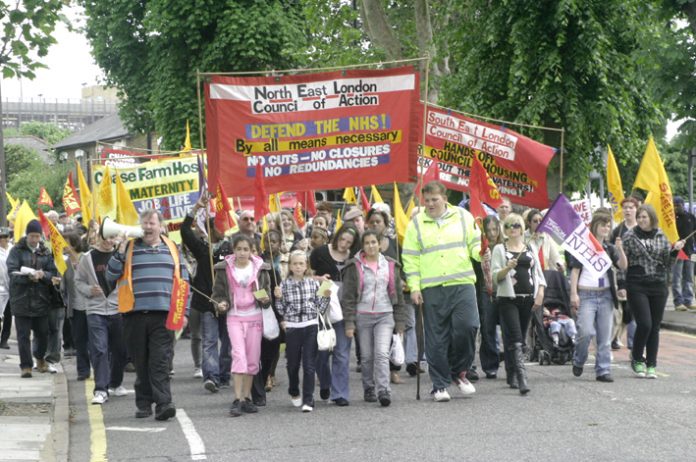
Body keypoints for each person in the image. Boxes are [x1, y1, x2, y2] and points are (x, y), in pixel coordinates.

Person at [106, 210, 190, 421]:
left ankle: (164, 404)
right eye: (145, 223)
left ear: (161, 226)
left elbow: (184, 282)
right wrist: (120, 251)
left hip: (163, 316)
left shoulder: (172, 248)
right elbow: (110, 275)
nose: (148, 227)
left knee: (160, 361)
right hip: (134, 315)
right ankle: (143, 403)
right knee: (141, 362)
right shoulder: (130, 248)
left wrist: (184, 312)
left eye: (152, 223)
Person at [402, 181, 481, 402]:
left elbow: (474, 244)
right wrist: (415, 287)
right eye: (426, 200)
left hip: (462, 282)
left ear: (445, 199)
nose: (430, 204)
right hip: (432, 287)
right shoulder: (416, 224)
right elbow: (410, 258)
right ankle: (439, 384)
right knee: (436, 339)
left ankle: (458, 372)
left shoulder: (463, 216)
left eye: (434, 200)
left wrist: (481, 251)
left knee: (468, 326)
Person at [341, 231, 407, 407]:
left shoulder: (391, 266)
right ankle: (368, 387)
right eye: (367, 243)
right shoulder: (354, 266)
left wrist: (400, 323)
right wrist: (349, 322)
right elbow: (347, 297)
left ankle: (383, 390)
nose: (371, 246)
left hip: (385, 315)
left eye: (373, 242)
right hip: (363, 316)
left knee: (381, 353)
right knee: (367, 357)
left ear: (380, 244)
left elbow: (399, 297)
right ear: (363, 246)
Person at [212, 234, 272, 417]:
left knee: (253, 359)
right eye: (239, 249)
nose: (242, 253)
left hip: (255, 317)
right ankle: (237, 399)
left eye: (246, 249)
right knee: (239, 356)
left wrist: (266, 299)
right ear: (233, 250)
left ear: (251, 250)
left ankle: (246, 398)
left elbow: (267, 297)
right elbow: (217, 295)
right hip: (234, 317)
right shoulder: (224, 269)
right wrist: (220, 304)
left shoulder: (261, 269)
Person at [622, 204, 683, 379]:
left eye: (644, 217)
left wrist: (675, 251)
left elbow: (668, 265)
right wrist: (621, 285)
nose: (641, 220)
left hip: (658, 286)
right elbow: (621, 263)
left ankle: (651, 364)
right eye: (639, 217)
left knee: (655, 327)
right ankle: (637, 358)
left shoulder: (661, 235)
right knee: (645, 324)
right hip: (636, 284)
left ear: (651, 218)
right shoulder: (629, 236)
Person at [181, 197, 233, 393]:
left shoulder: (231, 250)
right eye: (218, 227)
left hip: (227, 304)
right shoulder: (202, 250)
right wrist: (194, 209)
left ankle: (224, 374)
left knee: (227, 342)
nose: (222, 230)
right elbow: (185, 232)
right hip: (207, 304)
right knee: (209, 341)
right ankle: (211, 376)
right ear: (210, 230)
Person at [491, 213, 546, 395]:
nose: (513, 229)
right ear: (504, 230)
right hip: (509, 299)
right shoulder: (500, 249)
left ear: (522, 228)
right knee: (515, 337)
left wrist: (540, 292)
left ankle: (512, 372)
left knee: (519, 338)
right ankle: (522, 378)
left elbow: (538, 273)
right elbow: (495, 277)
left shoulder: (529, 246)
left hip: (528, 298)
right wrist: (507, 267)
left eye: (516, 225)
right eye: (508, 226)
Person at [569, 211, 627, 383]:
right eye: (603, 225)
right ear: (595, 226)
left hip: (606, 295)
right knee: (585, 332)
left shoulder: (609, 248)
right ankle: (579, 358)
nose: (606, 228)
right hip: (586, 294)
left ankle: (603, 369)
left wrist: (620, 250)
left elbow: (623, 266)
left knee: (604, 336)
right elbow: (575, 270)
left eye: (608, 225)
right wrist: (573, 294)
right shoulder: (584, 246)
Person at [274, 250, 331, 412]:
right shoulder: (284, 285)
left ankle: (308, 398)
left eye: (301, 263)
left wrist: (326, 295)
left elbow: (321, 306)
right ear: (290, 266)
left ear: (306, 266)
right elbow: (281, 308)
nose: (298, 267)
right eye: (295, 263)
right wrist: (278, 298)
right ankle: (293, 389)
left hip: (311, 325)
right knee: (292, 364)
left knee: (309, 364)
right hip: (293, 327)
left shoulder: (313, 283)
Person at [310, 224, 360, 406]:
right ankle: (325, 382)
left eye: (349, 242)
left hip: (345, 306)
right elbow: (306, 275)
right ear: (337, 236)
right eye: (342, 239)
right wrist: (318, 279)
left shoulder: (354, 259)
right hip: (323, 304)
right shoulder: (320, 253)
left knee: (342, 352)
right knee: (321, 351)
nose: (344, 244)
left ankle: (340, 393)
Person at [76, 233, 127, 404]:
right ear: (98, 238)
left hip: (117, 309)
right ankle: (100, 389)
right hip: (95, 310)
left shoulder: (121, 256)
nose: (109, 241)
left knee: (120, 351)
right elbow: (78, 281)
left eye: (112, 238)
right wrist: (90, 290)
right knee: (99, 349)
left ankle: (115, 383)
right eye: (105, 238)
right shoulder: (87, 258)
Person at [7, 220, 57, 378]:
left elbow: (53, 273)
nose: (34, 240)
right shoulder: (16, 251)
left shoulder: (45, 252)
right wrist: (29, 277)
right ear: (26, 235)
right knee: (23, 335)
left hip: (41, 300)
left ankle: (40, 357)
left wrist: (43, 276)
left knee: (43, 333)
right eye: (31, 236)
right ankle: (26, 366)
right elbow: (12, 273)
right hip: (21, 300)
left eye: (37, 236)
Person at [610, 196, 639, 350]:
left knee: (635, 311)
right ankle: (615, 337)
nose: (628, 210)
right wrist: (621, 283)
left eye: (631, 207)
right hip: (624, 278)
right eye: (625, 207)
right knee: (623, 312)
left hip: (640, 278)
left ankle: (633, 346)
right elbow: (615, 260)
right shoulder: (618, 231)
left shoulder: (642, 229)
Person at [477, 215, 504, 379]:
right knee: (487, 327)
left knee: (505, 326)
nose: (492, 233)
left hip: (502, 289)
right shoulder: (481, 247)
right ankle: (490, 364)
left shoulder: (503, 246)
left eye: (495, 229)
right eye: (489, 230)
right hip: (485, 290)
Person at [62, 233, 91, 381]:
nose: (63, 246)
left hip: (92, 306)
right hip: (76, 308)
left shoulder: (87, 258)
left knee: (95, 342)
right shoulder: (64, 263)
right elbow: (63, 287)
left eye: (65, 243)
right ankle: (83, 370)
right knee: (80, 341)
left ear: (73, 244)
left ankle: (100, 368)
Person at [671, 197, 696, 311]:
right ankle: (678, 302)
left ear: (682, 205)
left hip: (691, 251)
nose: (676, 208)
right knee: (677, 277)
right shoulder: (671, 219)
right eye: (675, 205)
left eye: (678, 205)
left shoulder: (691, 217)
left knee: (689, 277)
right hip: (678, 252)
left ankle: (688, 300)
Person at [0, 227, 13, 349]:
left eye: (5, 237)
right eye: (1, 238)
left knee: (8, 315)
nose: (3, 240)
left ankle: (4, 339)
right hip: (0, 288)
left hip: (11, 288)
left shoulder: (12, 250)